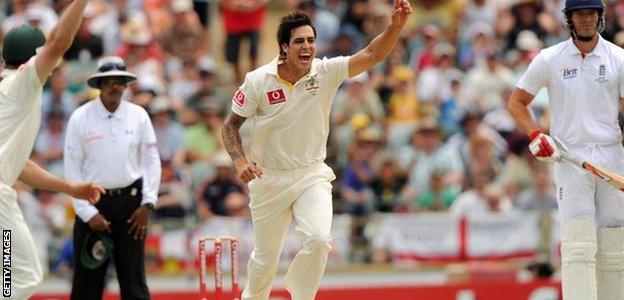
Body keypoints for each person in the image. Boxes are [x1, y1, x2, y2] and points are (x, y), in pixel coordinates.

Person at [221, 2, 412, 299]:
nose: (307, 46)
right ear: (284, 47)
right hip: (268, 178)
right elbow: (230, 126)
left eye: (311, 40)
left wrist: (396, 27)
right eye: (299, 41)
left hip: (311, 174)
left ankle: (301, 296)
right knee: (265, 260)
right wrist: (240, 161)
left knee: (320, 239)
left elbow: (373, 54)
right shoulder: (258, 80)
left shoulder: (326, 72)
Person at [507, 1, 624, 299]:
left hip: (611, 154)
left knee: (614, 243)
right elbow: (517, 102)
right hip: (570, 157)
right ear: (569, 19)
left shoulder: (618, 58)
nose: (585, 19)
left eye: (590, 13)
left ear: (599, 17)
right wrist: (536, 135)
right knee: (578, 244)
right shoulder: (550, 58)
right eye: (578, 14)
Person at [0, 0, 106, 298]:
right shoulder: (23, 84)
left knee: (7, 276)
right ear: (30, 60)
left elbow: (19, 165)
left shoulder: (9, 95)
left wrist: (68, 187)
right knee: (21, 275)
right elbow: (59, 42)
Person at [64, 56, 162, 300]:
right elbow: (72, 170)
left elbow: (151, 161)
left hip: (131, 204)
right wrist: (88, 213)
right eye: (108, 81)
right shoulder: (80, 117)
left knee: (133, 279)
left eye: (119, 81)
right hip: (93, 202)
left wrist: (147, 203)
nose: (114, 86)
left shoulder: (138, 115)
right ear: (99, 85)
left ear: (126, 85)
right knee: (87, 280)